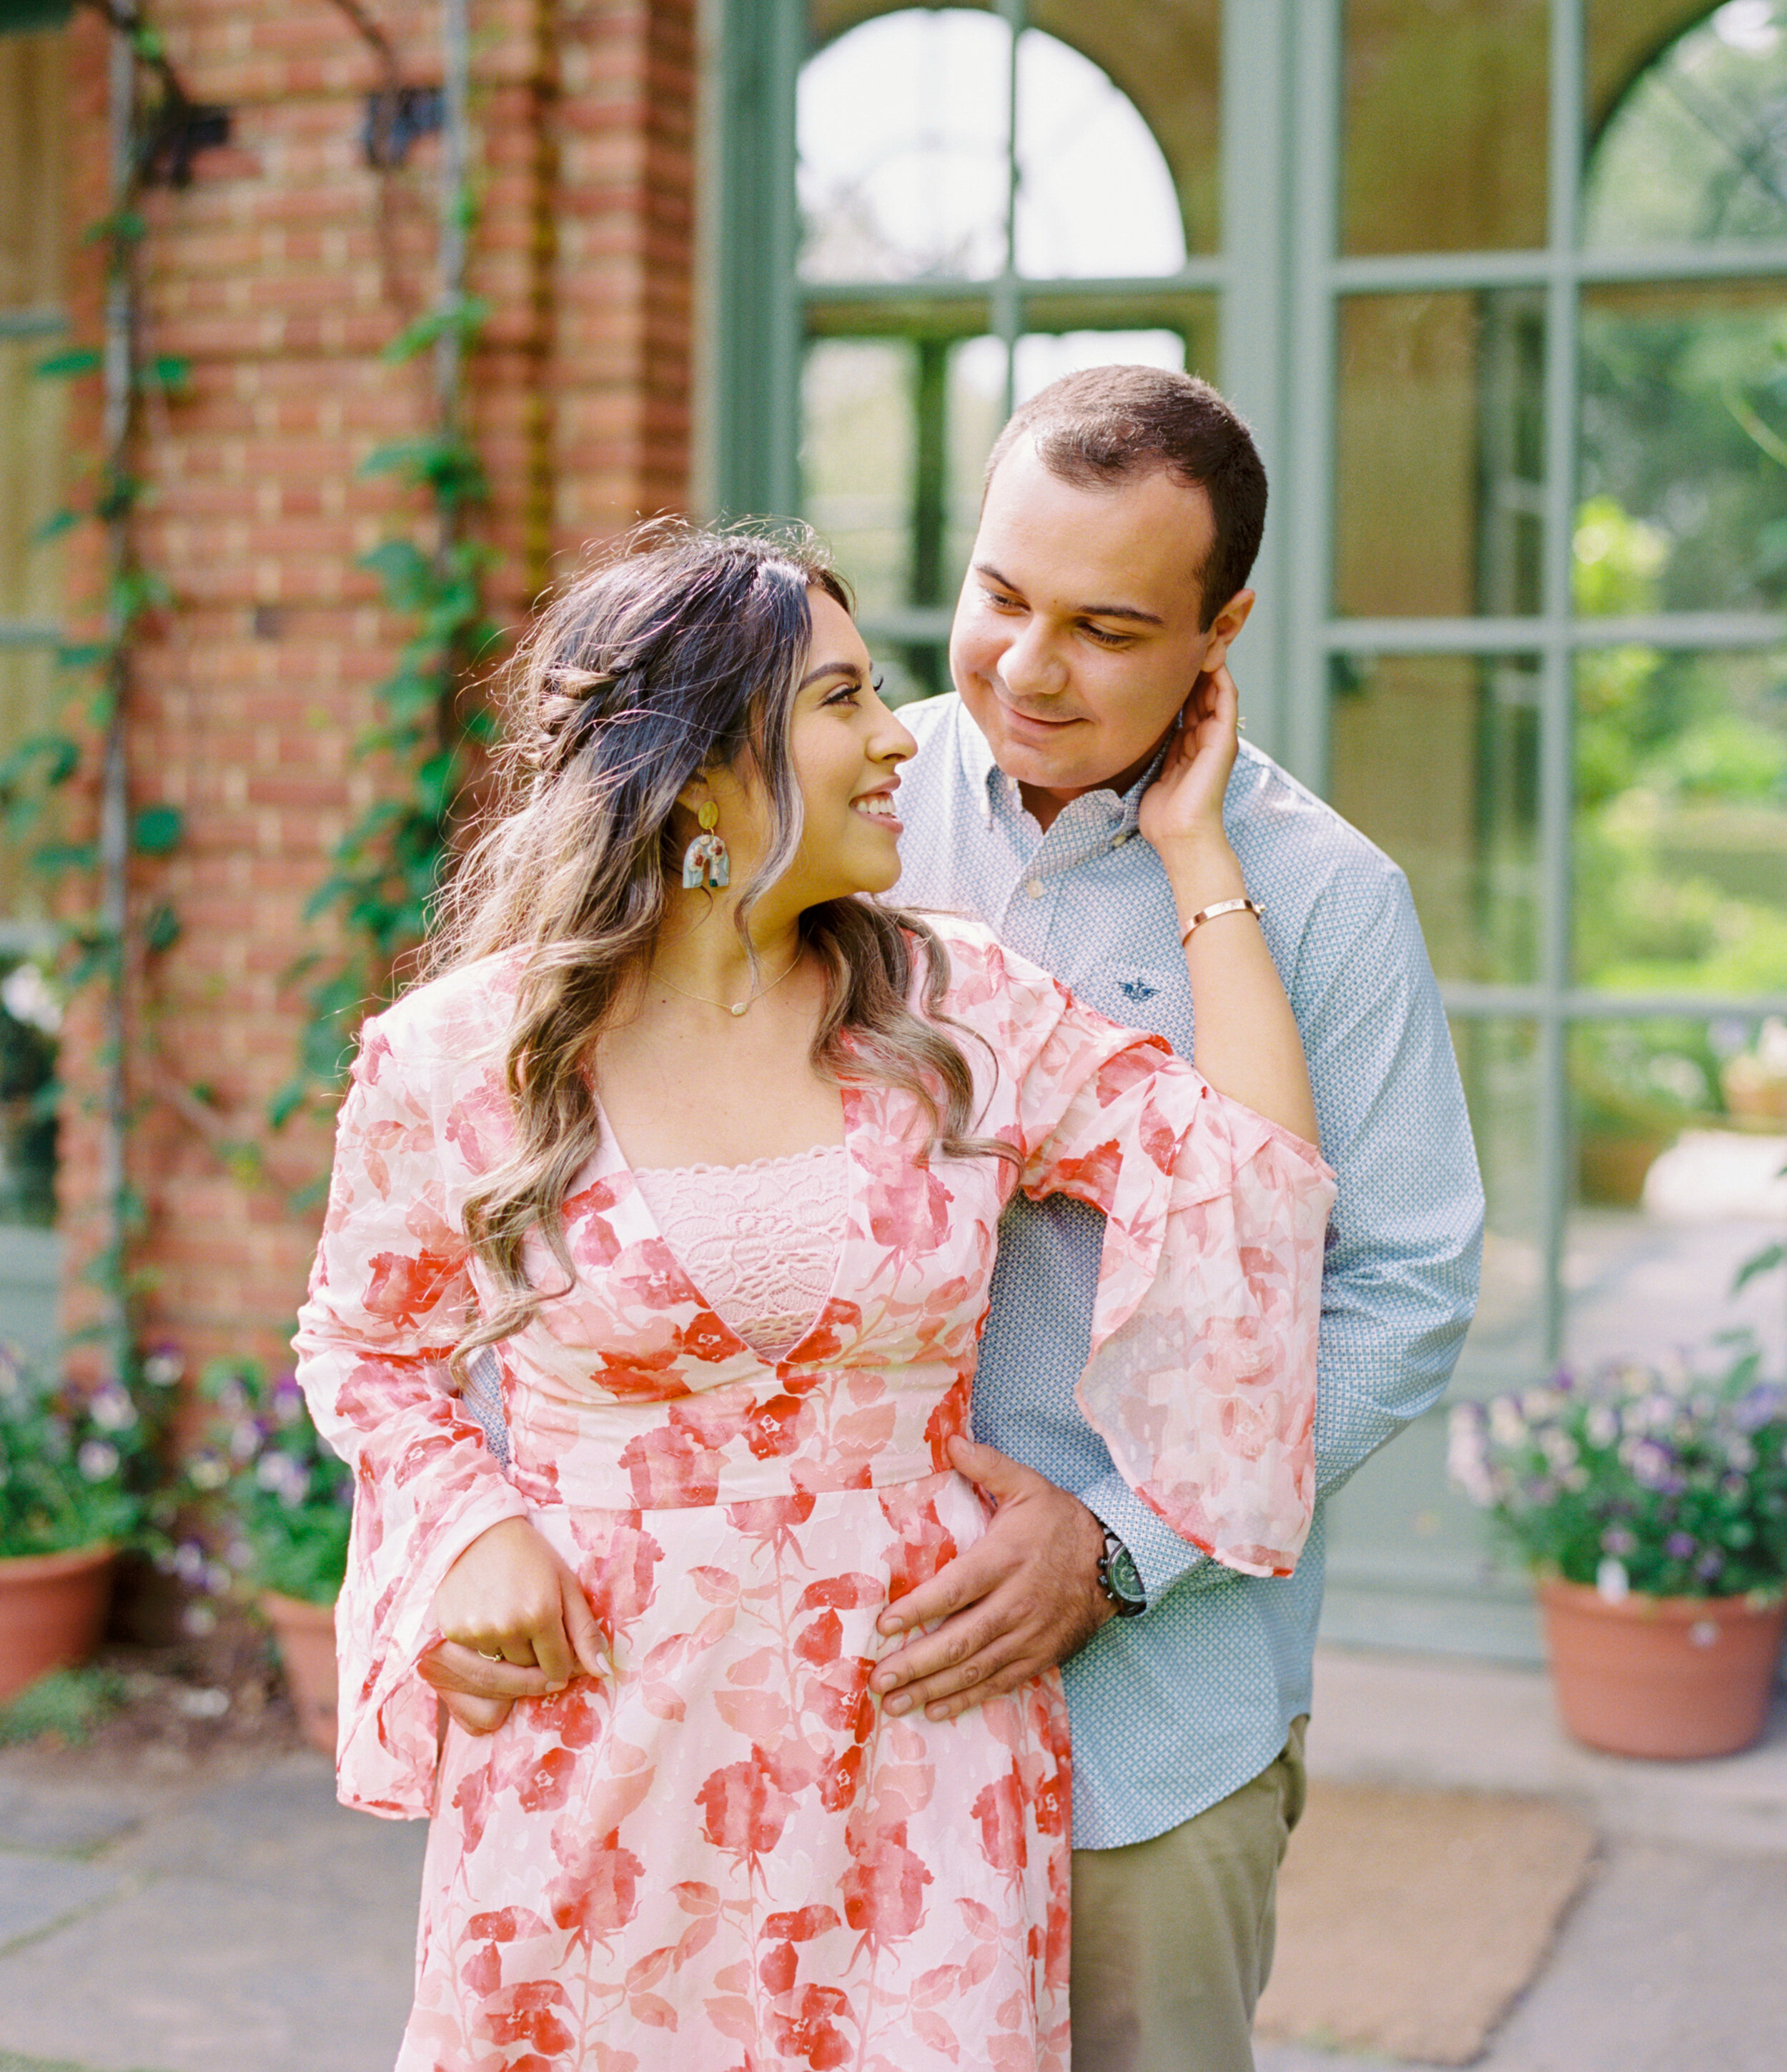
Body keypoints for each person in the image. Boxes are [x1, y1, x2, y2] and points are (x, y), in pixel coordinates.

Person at [294, 524, 1335, 2072]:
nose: (900, 732)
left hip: (917, 1749)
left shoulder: (949, 1005)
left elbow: (1249, 1179)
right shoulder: (458, 1060)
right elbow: (363, 1345)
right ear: (704, 765)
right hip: (599, 1758)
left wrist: (1196, 853)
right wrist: (468, 1523)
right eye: (842, 697)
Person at [869, 365, 1485, 2071]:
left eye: (1107, 625)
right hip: (842, 1689)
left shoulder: (1325, 897)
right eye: (997, 595)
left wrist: (1120, 1545)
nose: (1027, 666)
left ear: (1220, 628)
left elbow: (1405, 1293)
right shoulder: (836, 804)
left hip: (1153, 1728)